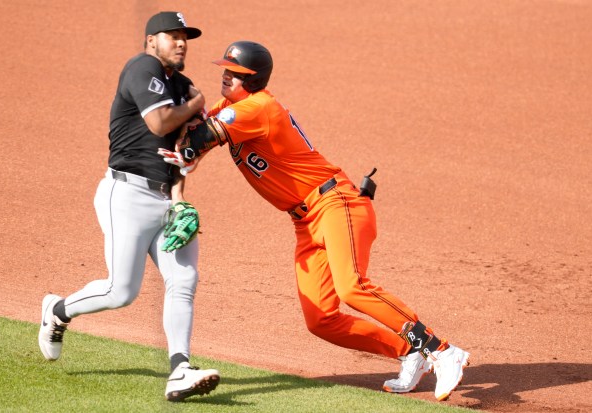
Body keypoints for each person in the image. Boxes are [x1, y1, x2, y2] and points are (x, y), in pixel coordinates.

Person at [158, 41, 470, 401]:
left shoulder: (259, 107)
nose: (226, 76)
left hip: (336, 203)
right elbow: (198, 135)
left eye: (235, 73)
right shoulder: (232, 106)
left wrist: (184, 144)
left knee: (352, 287)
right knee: (320, 318)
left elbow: (198, 137)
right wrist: (188, 146)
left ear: (254, 79)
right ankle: (408, 352)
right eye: (225, 70)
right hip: (305, 221)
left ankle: (443, 350)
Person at [38, 12, 220, 402]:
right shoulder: (142, 67)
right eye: (172, 36)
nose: (181, 42)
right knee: (122, 291)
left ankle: (180, 371)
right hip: (127, 195)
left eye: (185, 37)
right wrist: (200, 101)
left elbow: (186, 149)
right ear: (151, 40)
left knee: (184, 282)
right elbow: (159, 123)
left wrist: (180, 195)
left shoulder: (182, 85)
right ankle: (58, 310)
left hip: (166, 199)